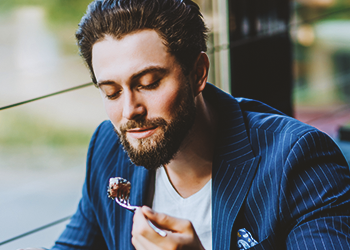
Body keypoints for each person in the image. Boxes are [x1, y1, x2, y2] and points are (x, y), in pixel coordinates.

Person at [21, 0, 350, 249]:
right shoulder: (109, 148)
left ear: (197, 73)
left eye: (149, 83)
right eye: (111, 92)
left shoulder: (298, 160)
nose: (128, 111)